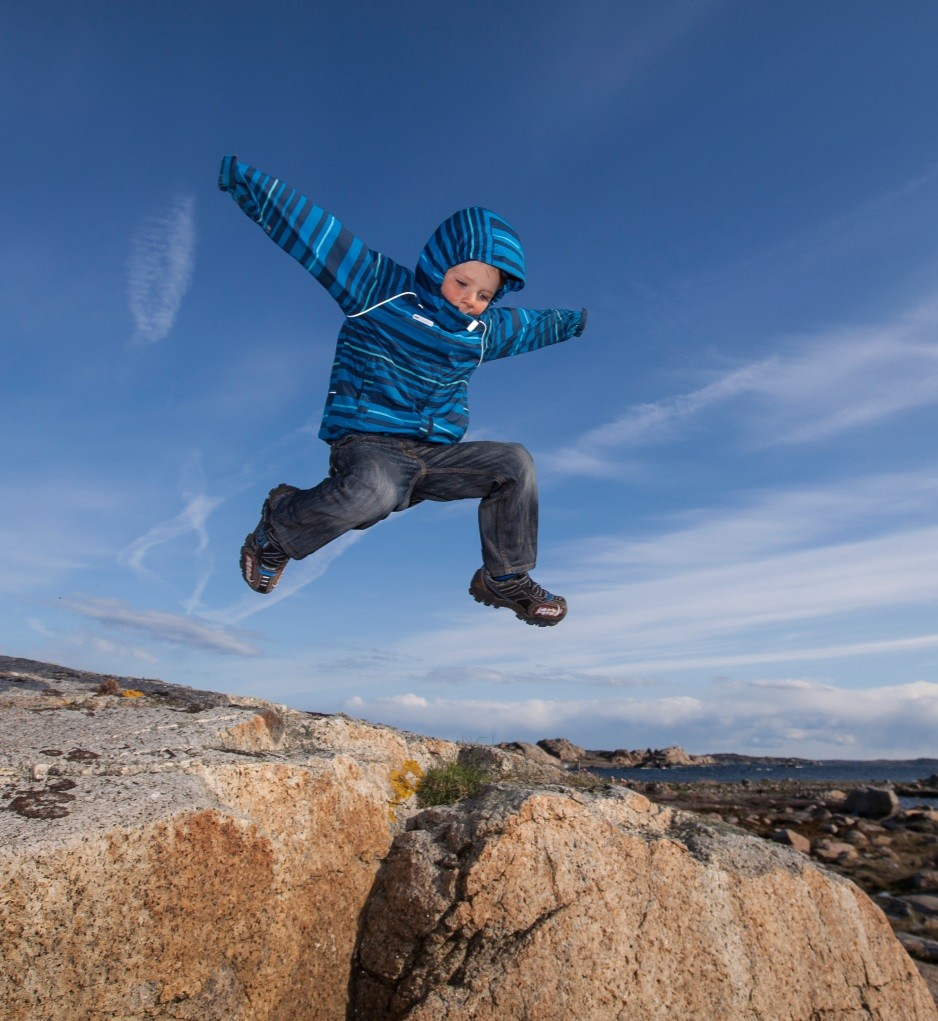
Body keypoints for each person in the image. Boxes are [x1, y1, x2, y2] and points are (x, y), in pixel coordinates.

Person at [218, 156, 588, 626]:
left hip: (435, 457)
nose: (469, 299)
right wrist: (250, 185)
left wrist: (575, 322)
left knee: (513, 463)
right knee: (372, 493)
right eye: (462, 283)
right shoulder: (379, 288)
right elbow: (318, 236)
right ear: (438, 265)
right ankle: (278, 528)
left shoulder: (481, 332)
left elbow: (531, 326)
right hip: (368, 445)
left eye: (483, 295)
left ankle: (504, 576)